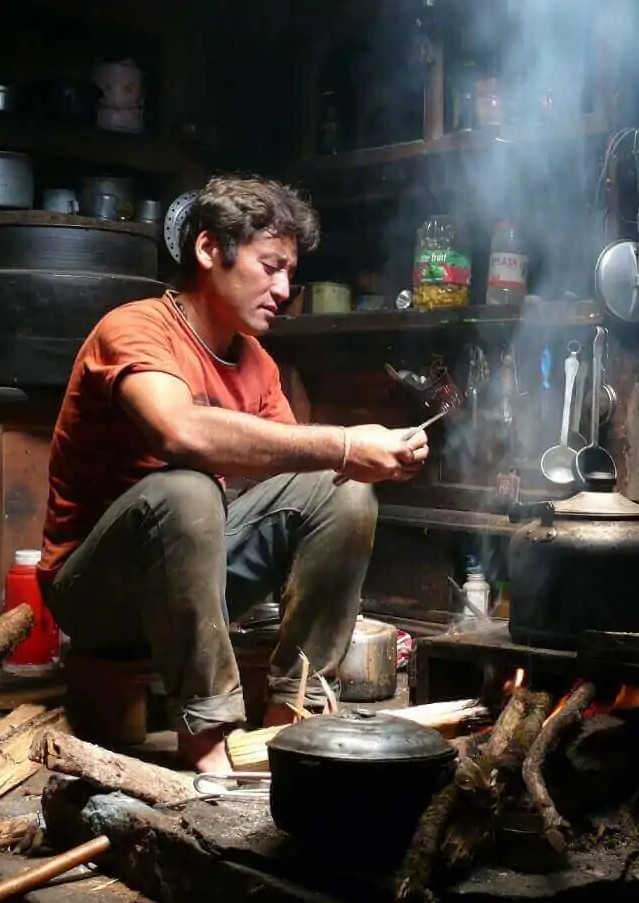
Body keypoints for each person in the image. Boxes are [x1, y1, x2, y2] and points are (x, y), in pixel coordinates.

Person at [37, 174, 430, 773]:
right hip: (97, 592)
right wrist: (346, 442)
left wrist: (371, 458)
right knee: (186, 487)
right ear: (207, 251)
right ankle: (207, 734)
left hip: (196, 576)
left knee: (341, 491)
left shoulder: (258, 363)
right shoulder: (137, 329)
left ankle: (293, 715)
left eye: (290, 273)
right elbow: (179, 431)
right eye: (270, 266)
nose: (284, 288)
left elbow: (292, 473)